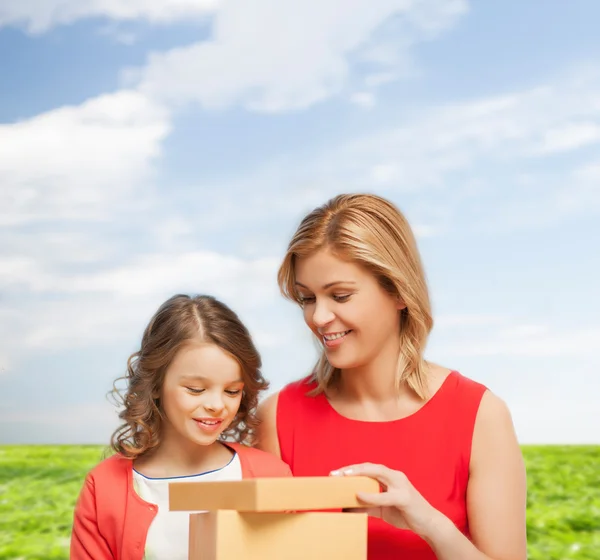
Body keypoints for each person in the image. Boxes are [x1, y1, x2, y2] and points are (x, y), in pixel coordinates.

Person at [257, 194, 527, 560]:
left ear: (398, 291)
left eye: (340, 295)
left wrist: (430, 524)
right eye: (307, 299)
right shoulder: (279, 417)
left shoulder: (479, 416)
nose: (319, 318)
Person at [70, 294, 291, 560]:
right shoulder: (104, 487)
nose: (217, 405)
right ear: (155, 384)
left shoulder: (271, 475)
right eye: (196, 389)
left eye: (232, 391)